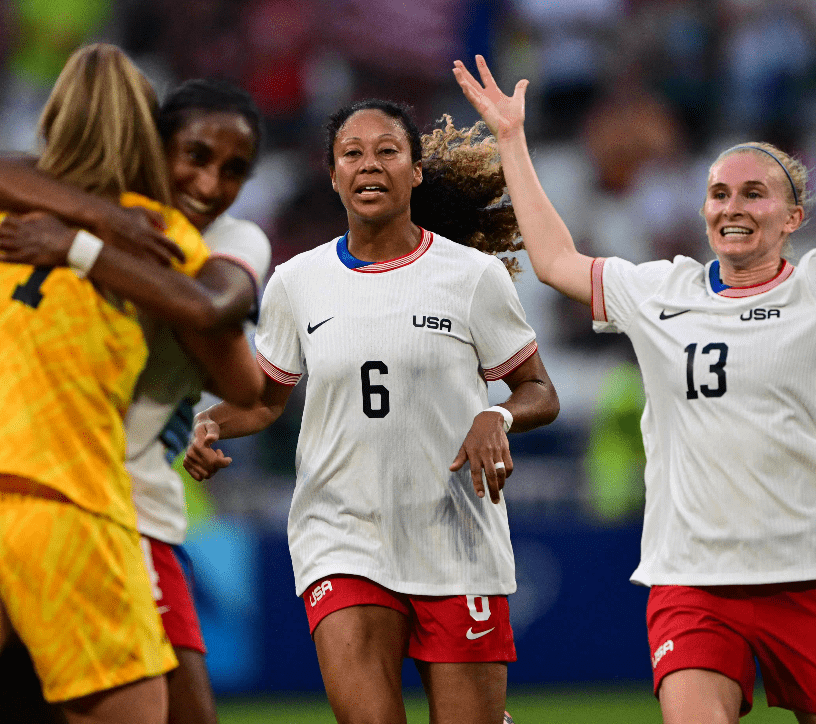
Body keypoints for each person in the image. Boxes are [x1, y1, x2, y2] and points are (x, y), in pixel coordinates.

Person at [454, 51, 816, 723]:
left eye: (753, 193)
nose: (732, 207)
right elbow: (556, 260)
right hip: (693, 580)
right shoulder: (659, 290)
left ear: (792, 218)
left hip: (810, 573)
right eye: (719, 194)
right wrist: (511, 139)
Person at [0, 44, 262, 724]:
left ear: (50, 124)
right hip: (67, 503)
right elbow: (241, 377)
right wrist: (113, 241)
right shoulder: (166, 236)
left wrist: (84, 234)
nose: (207, 183)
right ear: (152, 140)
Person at [184, 99, 560, 724]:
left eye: (387, 150)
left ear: (414, 171)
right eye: (351, 153)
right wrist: (212, 423)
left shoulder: (472, 276)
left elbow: (537, 390)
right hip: (341, 537)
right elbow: (266, 399)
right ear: (332, 175)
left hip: (455, 539)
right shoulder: (297, 282)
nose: (369, 165)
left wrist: (499, 417)